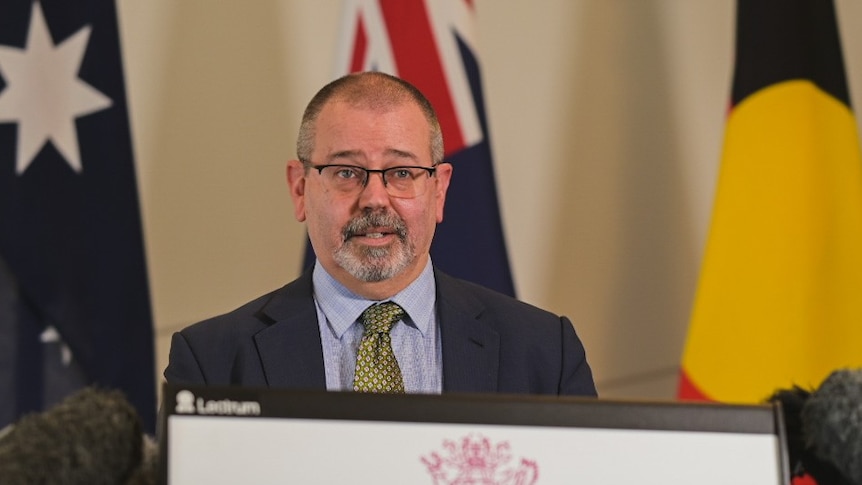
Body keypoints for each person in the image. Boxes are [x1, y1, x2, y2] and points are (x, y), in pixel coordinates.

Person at [164, 71, 596, 397]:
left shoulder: (544, 354)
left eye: (402, 172)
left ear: (439, 190)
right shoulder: (211, 362)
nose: (374, 199)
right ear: (300, 188)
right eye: (346, 171)